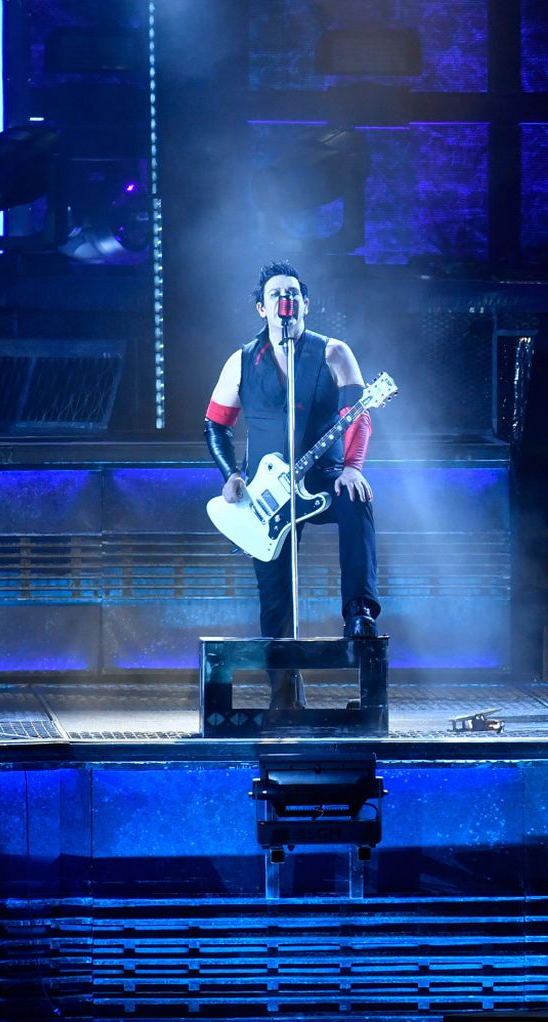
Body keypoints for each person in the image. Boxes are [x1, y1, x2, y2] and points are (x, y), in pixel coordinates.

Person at [203, 260, 380, 714]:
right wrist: (231, 475)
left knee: (356, 499)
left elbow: (357, 415)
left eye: (293, 294)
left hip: (323, 476)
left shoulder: (333, 353)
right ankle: (284, 696)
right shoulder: (241, 361)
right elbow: (215, 425)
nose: (286, 301)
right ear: (261, 308)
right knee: (275, 596)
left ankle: (359, 613)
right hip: (267, 494)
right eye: (276, 295)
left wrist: (353, 467)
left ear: (305, 303)